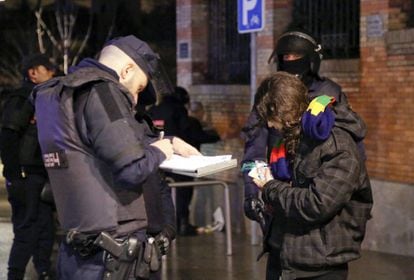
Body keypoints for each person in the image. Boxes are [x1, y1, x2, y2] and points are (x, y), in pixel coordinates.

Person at [32, 35, 200, 280]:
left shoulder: (62, 94)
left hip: (81, 248)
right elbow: (133, 167)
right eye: (138, 88)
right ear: (127, 70)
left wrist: (167, 142)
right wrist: (162, 150)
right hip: (114, 257)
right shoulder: (103, 92)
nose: (134, 98)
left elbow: (93, 151)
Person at [241, 28, 366, 234]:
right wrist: (252, 194)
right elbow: (252, 153)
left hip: (318, 202)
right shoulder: (269, 97)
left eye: (296, 56)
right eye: (286, 56)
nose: (291, 60)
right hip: (277, 193)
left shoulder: (329, 94)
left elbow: (352, 155)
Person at [252, 72, 373, 280]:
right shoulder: (297, 136)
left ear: (285, 111)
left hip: (319, 266)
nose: (270, 126)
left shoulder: (339, 146)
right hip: (283, 256)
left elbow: (317, 204)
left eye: (270, 119)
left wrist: (270, 187)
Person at [0, 54, 56, 280]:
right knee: (28, 228)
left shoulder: (43, 98)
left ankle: (43, 271)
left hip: (39, 174)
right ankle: (15, 274)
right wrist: (15, 175)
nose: (53, 74)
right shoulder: (24, 98)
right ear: (33, 73)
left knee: (44, 228)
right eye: (49, 70)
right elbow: (9, 134)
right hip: (27, 175)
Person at [147, 86, 198, 236]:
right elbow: (186, 130)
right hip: (178, 157)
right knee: (184, 193)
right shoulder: (178, 110)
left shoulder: (154, 110)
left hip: (159, 157)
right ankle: (183, 224)